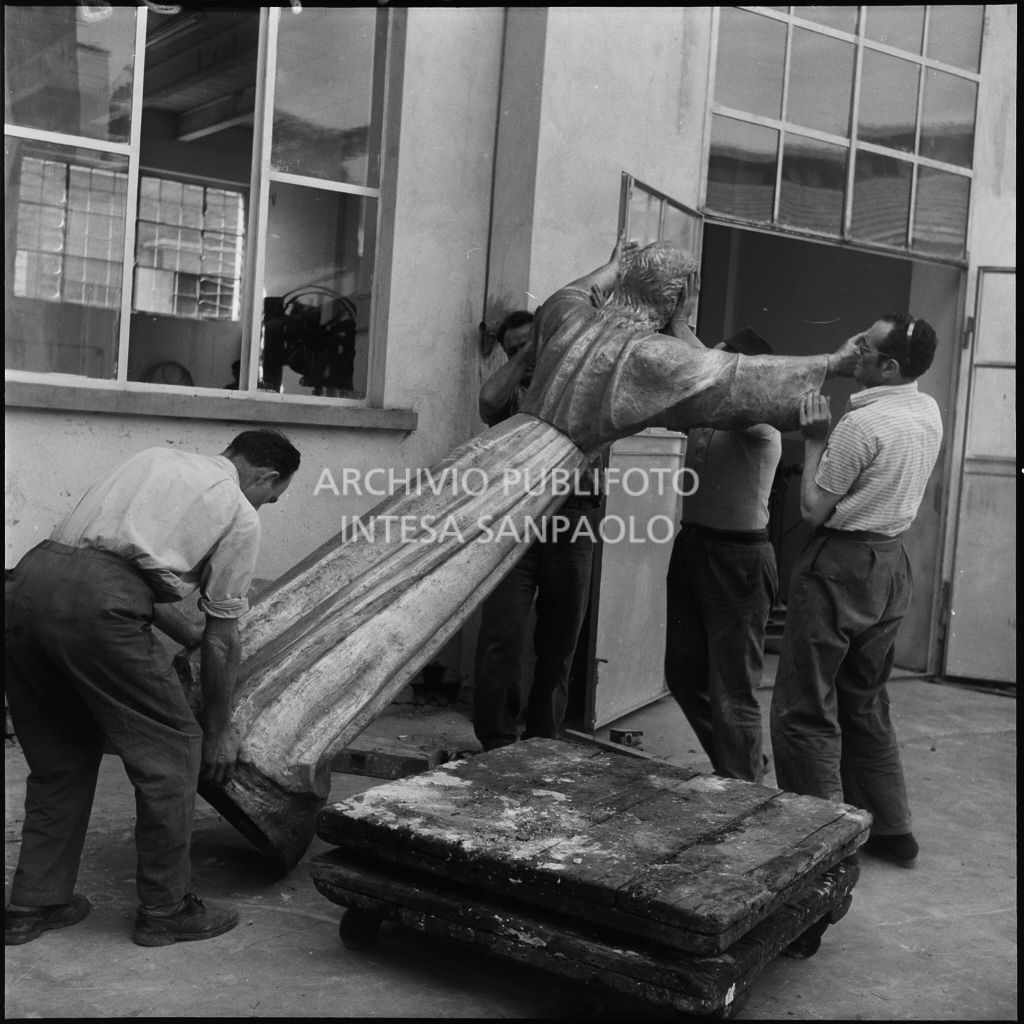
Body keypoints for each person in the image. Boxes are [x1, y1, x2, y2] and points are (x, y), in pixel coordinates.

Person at [4, 428, 301, 946]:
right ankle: (166, 909)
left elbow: (108, 563)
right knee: (174, 750)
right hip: (97, 607)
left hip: (25, 584)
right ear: (265, 476)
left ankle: (34, 904)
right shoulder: (238, 511)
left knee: (61, 758)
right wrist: (218, 728)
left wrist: (186, 631)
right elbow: (222, 640)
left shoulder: (153, 460)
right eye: (271, 498)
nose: (265, 506)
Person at [770, 315, 942, 868]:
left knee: (805, 706)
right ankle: (892, 829)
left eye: (864, 349)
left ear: (888, 367)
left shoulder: (858, 426)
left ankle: (820, 842)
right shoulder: (926, 409)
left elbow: (812, 509)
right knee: (865, 700)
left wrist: (816, 440)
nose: (854, 352)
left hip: (841, 565)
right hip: (891, 565)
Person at [472, 311, 601, 751]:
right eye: (513, 349)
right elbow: (488, 403)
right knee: (501, 636)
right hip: (516, 518)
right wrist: (526, 357)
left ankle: (544, 740)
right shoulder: (512, 394)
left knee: (560, 639)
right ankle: (496, 742)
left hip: (573, 517)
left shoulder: (579, 380)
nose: (524, 357)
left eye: (532, 345)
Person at [663, 330, 781, 784]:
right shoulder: (707, 416)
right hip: (693, 546)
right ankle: (742, 768)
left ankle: (743, 787)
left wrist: (679, 328)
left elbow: (725, 392)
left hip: (740, 559)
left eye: (725, 363)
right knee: (683, 672)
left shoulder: (760, 419)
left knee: (734, 688)